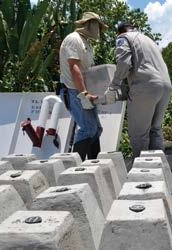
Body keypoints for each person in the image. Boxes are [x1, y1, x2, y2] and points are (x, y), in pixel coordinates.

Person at [105, 22, 172, 158]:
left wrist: (113, 87)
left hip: (145, 87)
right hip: (166, 86)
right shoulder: (149, 40)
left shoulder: (123, 38)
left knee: (139, 134)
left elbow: (124, 63)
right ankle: (160, 170)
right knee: (155, 129)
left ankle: (142, 174)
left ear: (120, 32)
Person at [59, 12, 108, 161]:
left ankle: (94, 164)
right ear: (89, 24)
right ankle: (73, 168)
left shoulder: (85, 42)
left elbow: (87, 71)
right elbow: (74, 67)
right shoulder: (73, 39)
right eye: (97, 25)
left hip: (83, 91)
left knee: (96, 129)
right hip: (74, 91)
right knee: (88, 129)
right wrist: (84, 93)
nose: (99, 29)